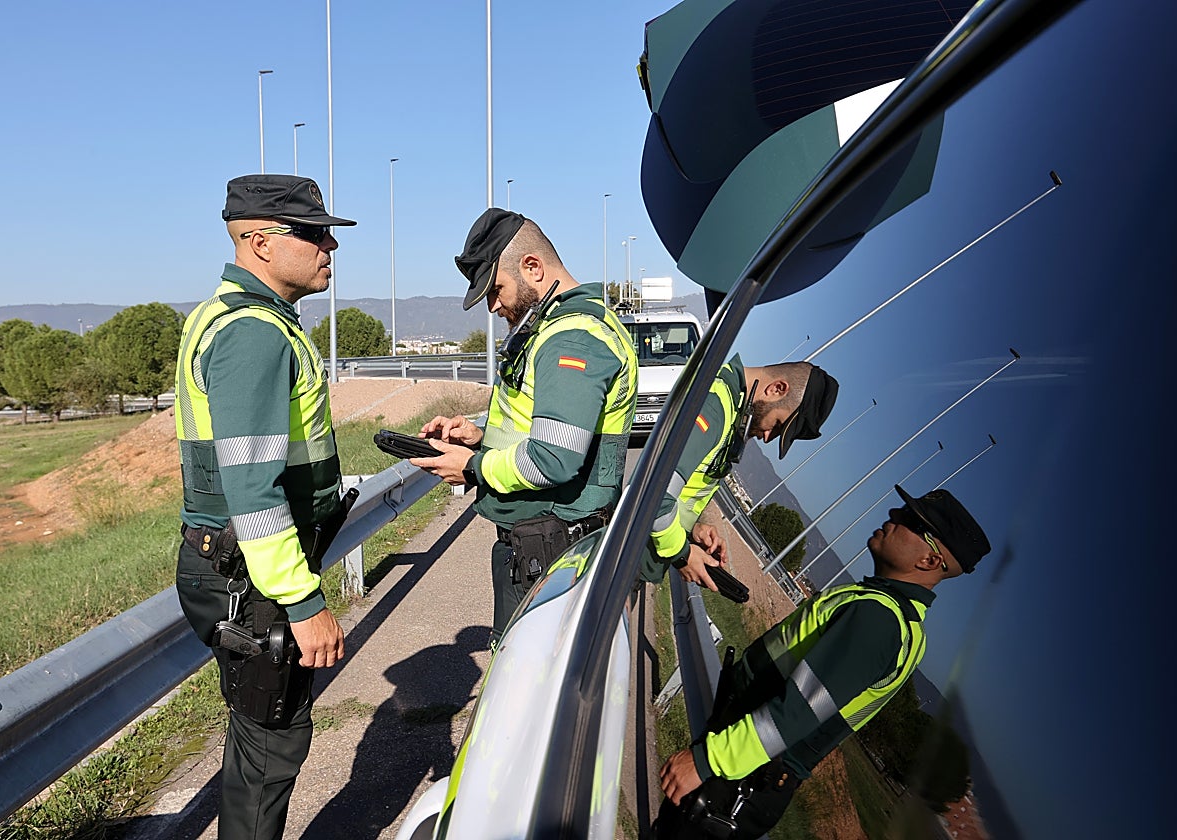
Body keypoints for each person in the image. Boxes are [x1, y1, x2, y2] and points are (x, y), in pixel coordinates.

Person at [173, 173, 355, 840]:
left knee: (257, 743)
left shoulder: (228, 316)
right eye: (313, 233)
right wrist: (304, 605)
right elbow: (253, 491)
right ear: (257, 241)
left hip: (234, 565)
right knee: (270, 750)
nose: (329, 245)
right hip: (252, 575)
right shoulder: (254, 333)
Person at [654, 484, 991, 839]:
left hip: (741, 772)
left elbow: (796, 713)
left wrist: (710, 761)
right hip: (749, 766)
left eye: (909, 520)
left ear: (930, 561)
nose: (892, 516)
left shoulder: (879, 621)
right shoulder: (896, 619)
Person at [411, 208, 638, 647]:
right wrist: (478, 437)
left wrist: (474, 468)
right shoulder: (555, 328)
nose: (494, 306)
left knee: (527, 689)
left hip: (553, 551)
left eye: (496, 290)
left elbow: (554, 458)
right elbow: (544, 428)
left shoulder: (572, 338)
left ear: (532, 267)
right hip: (542, 546)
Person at [643, 355, 838, 592]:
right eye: (777, 425)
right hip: (625, 557)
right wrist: (682, 555)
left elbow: (674, 492)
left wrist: (692, 530)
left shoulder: (728, 409)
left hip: (636, 556)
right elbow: (653, 494)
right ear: (777, 389)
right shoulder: (715, 410)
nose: (767, 437)